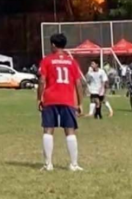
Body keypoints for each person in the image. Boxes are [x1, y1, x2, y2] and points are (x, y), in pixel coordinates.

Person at [38, 33, 84, 172]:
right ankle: (74, 164)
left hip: (50, 99)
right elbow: (78, 83)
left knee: (48, 130)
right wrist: (80, 103)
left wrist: (39, 98)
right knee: (70, 131)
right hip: (68, 100)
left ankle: (48, 164)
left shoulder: (47, 60)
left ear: (53, 45)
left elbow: (41, 80)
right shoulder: (72, 62)